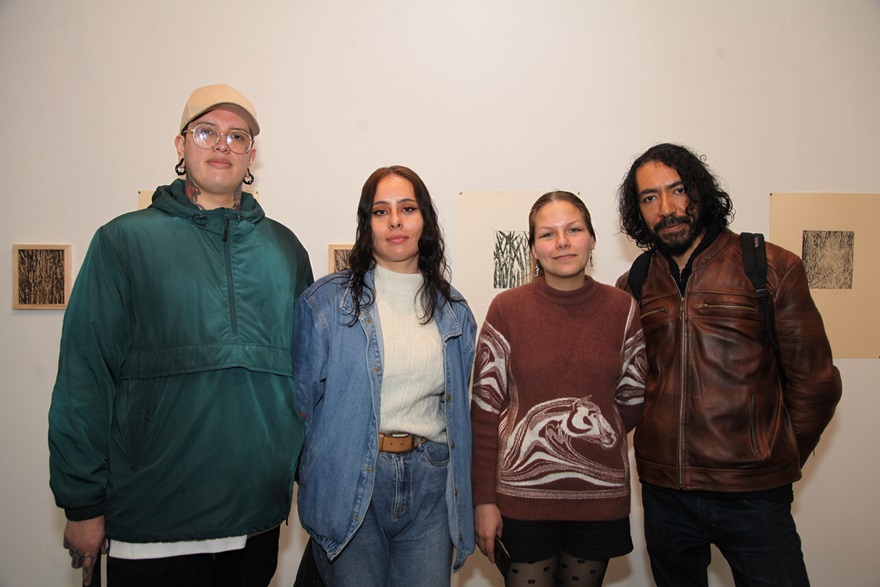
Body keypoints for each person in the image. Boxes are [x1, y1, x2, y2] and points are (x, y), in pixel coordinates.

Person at [48, 84, 314, 586]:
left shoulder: (285, 250)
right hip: (151, 521)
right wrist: (82, 502)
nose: (222, 145)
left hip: (254, 522)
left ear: (252, 155)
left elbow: (305, 382)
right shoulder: (123, 241)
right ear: (180, 145)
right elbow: (85, 376)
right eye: (207, 132)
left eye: (237, 137)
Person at [615, 143, 843, 586]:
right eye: (649, 198)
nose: (667, 208)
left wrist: (774, 456)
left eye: (678, 190)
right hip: (665, 495)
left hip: (754, 496)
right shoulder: (635, 283)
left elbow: (816, 383)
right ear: (637, 211)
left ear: (699, 191)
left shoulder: (769, 265)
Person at [292, 165, 476, 586]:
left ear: (424, 220)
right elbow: (298, 409)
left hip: (431, 484)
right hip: (351, 479)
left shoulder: (455, 311)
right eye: (381, 211)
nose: (395, 220)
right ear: (367, 224)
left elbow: (459, 414)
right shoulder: (325, 304)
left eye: (407, 208)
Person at [471, 191, 647, 587]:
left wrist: (595, 443)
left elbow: (632, 400)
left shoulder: (623, 309)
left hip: (599, 499)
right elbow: (484, 412)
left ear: (592, 239)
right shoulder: (507, 309)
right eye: (548, 234)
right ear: (533, 247)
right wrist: (484, 500)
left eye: (574, 230)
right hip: (519, 501)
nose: (562, 242)